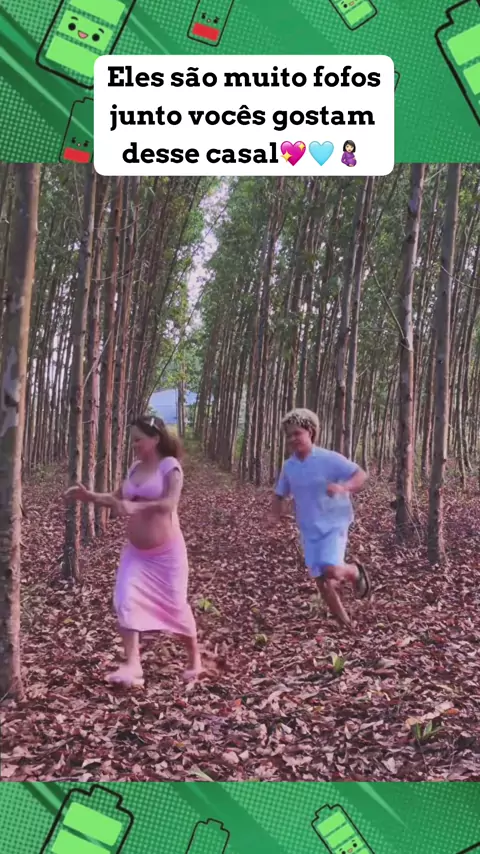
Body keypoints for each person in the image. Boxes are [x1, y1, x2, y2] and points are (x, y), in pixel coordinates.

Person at [64, 415, 201, 687]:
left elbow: (170, 503)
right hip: (136, 553)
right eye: (133, 441)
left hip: (166, 555)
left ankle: (194, 659)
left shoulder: (169, 466)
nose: (135, 445)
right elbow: (117, 499)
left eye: (139, 440)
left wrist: (136, 507)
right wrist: (90, 497)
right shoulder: (135, 468)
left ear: (155, 439)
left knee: (176, 606)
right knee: (125, 598)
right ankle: (132, 664)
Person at [272, 408, 371, 629]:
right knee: (321, 581)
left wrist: (344, 487)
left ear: (311, 432)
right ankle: (345, 623)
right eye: (288, 435)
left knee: (331, 570)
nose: (292, 439)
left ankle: (355, 571)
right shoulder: (289, 466)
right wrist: (274, 514)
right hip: (309, 528)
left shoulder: (329, 458)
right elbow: (279, 493)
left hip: (334, 523)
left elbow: (360, 474)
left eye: (297, 433)